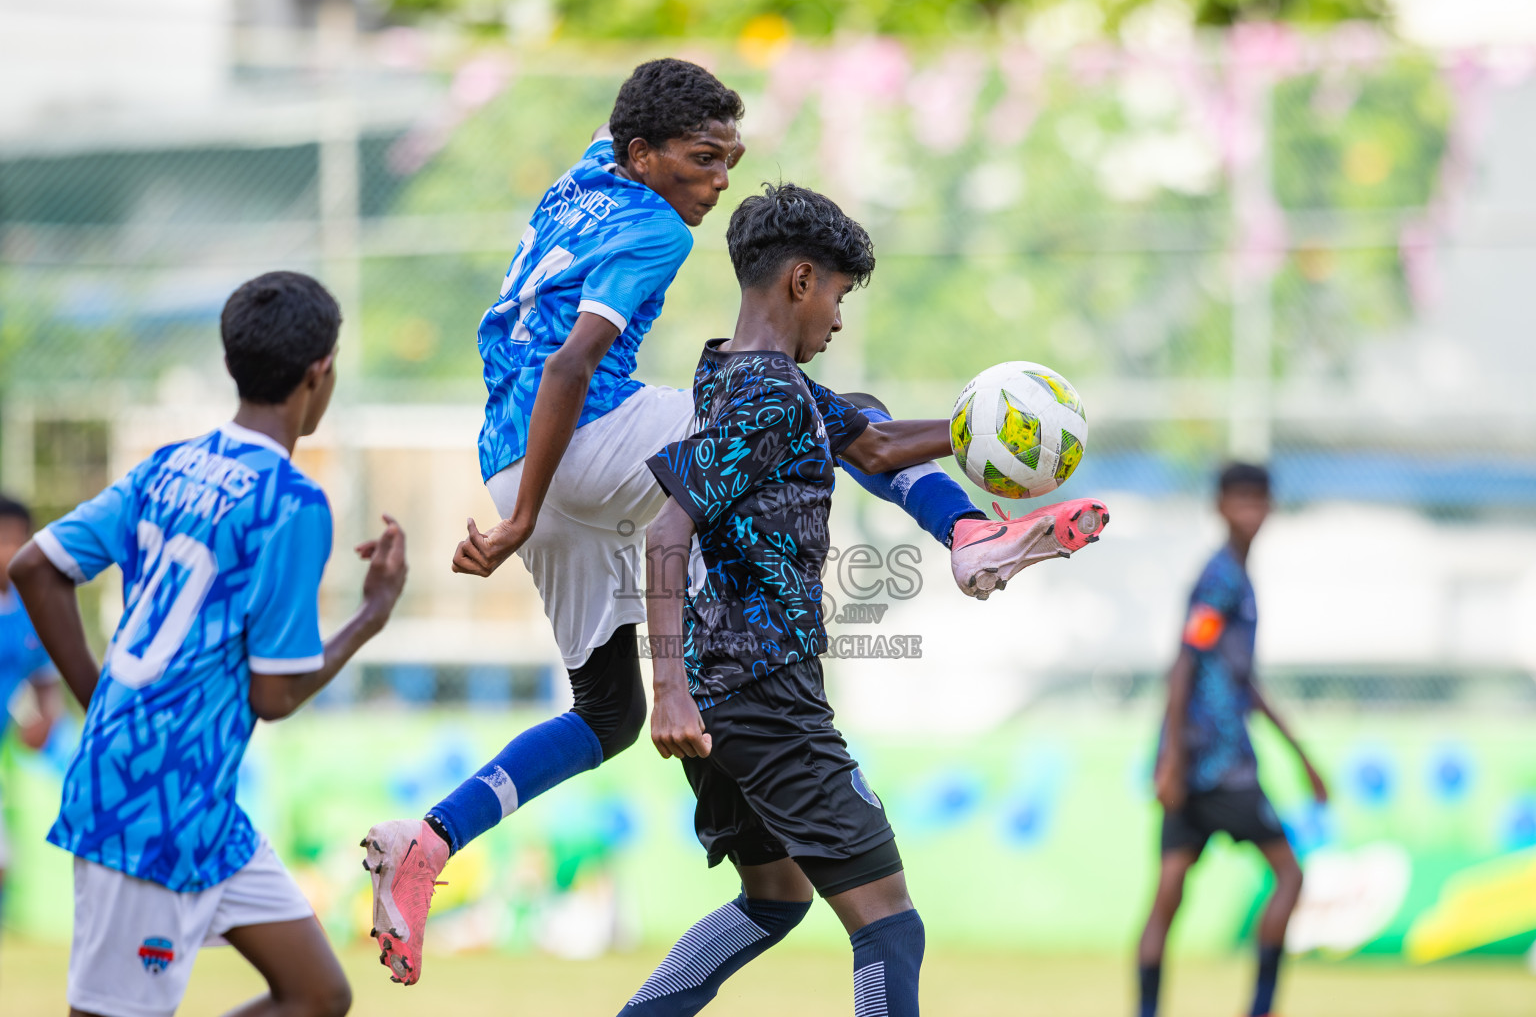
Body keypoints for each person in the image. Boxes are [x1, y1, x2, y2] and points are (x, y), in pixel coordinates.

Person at [361, 58, 1107, 985]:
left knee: (607, 716)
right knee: (804, 403)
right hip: (579, 443)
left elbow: (628, 143)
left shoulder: (586, 175)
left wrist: (959, 434)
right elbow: (572, 371)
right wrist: (518, 526)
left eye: (730, 159)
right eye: (702, 159)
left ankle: (429, 839)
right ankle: (967, 537)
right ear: (643, 153)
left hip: (518, 451)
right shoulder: (658, 233)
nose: (718, 182)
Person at [624, 181, 1107, 1017]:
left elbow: (874, 442)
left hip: (726, 694)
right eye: (839, 297)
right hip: (763, 692)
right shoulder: (769, 394)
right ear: (801, 282)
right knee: (889, 924)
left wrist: (984, 427)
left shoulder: (737, 374)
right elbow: (666, 536)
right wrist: (663, 689)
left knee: (775, 897)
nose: (840, 320)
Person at [8, 271, 408, 1017]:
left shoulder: (170, 464)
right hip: (153, 801)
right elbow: (274, 694)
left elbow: (37, 565)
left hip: (201, 804)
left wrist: (103, 704)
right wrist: (370, 616)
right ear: (320, 374)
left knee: (316, 994)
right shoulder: (292, 502)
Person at [1135, 462, 1328, 1017]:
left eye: (1258, 500)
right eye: (1239, 500)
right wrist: (1170, 756)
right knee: (1289, 875)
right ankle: (1263, 1007)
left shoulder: (1236, 576)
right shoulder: (1221, 579)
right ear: (1219, 507)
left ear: (1270, 507)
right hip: (1219, 764)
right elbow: (1184, 662)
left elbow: (1243, 681)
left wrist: (1302, 757)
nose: (1250, 511)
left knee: (1169, 893)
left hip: (1199, 763)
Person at [0, 494, 65, 934]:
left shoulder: (27, 611)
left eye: (16, 538)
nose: (9, 549)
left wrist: (46, 716)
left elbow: (46, 678)